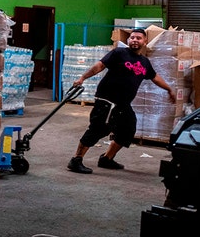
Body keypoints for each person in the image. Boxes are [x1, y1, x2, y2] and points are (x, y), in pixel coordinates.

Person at [67, 28, 176, 174]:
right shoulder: (119, 53)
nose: (135, 40)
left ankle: (107, 159)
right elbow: (99, 66)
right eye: (132, 38)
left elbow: (154, 77)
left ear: (145, 41)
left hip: (123, 104)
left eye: (138, 38)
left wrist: (169, 89)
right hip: (107, 100)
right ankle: (76, 160)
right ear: (128, 40)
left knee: (128, 130)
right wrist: (82, 78)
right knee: (98, 129)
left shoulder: (144, 62)